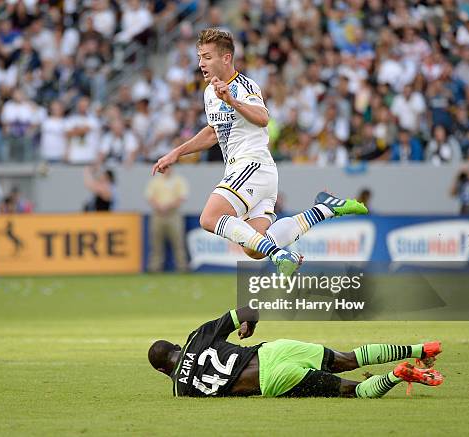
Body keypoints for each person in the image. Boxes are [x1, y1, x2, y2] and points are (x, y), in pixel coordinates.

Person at [152, 28, 367, 276]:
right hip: (257, 173)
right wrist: (176, 153)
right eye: (200, 57)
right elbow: (213, 132)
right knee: (253, 249)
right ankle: (324, 209)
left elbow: (263, 118)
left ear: (226, 58)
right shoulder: (210, 92)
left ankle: (279, 255)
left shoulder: (244, 85)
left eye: (207, 57)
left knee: (209, 218)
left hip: (250, 165)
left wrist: (232, 101)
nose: (201, 63)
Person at [148, 307, 443, 398]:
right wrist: (250, 326)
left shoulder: (181, 391)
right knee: (349, 358)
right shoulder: (197, 337)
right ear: (176, 347)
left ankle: (396, 375)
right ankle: (421, 348)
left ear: (163, 371)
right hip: (273, 351)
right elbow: (250, 309)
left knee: (352, 391)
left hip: (272, 379)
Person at [145, 167, 188, 272]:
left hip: (173, 214)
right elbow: (150, 197)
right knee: (156, 242)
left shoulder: (178, 181)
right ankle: (155, 267)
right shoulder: (155, 182)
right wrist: (159, 206)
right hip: (158, 214)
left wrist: (168, 206)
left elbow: (182, 197)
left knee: (178, 241)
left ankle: (182, 266)